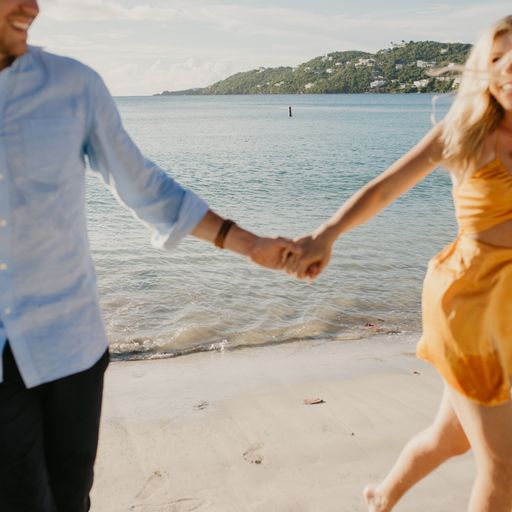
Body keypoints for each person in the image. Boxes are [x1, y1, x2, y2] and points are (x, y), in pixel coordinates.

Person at [0, 1, 300, 511]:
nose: (33, 7)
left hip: (72, 343)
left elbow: (144, 186)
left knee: (73, 499)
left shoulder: (73, 85)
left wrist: (249, 244)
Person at [285, 15, 512, 512]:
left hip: (510, 311)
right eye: (496, 58)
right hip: (468, 304)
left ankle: (381, 496)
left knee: (451, 438)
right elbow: (386, 188)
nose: (508, 68)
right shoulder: (466, 133)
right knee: (503, 472)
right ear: (483, 70)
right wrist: (327, 235)